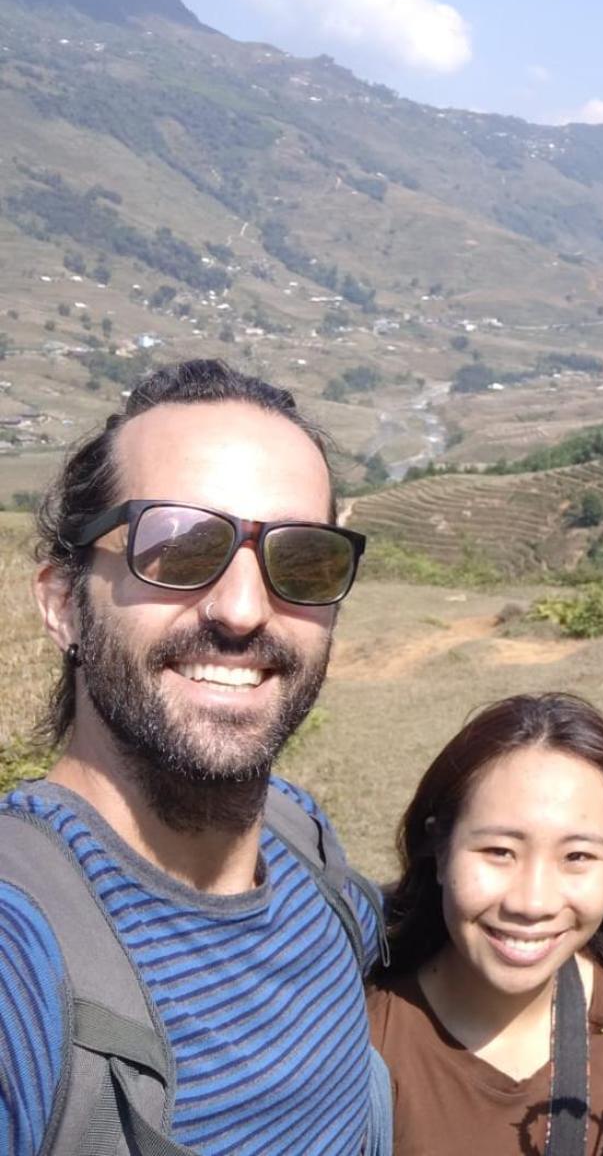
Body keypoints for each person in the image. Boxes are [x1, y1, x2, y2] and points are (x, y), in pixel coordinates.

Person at [0, 359, 385, 1155]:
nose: (242, 610)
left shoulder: (303, 842)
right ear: (63, 601)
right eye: (176, 547)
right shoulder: (22, 956)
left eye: (301, 559)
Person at [369, 693, 603, 1156]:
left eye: (577, 856)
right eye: (499, 852)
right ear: (440, 849)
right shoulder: (359, 1032)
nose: (533, 903)